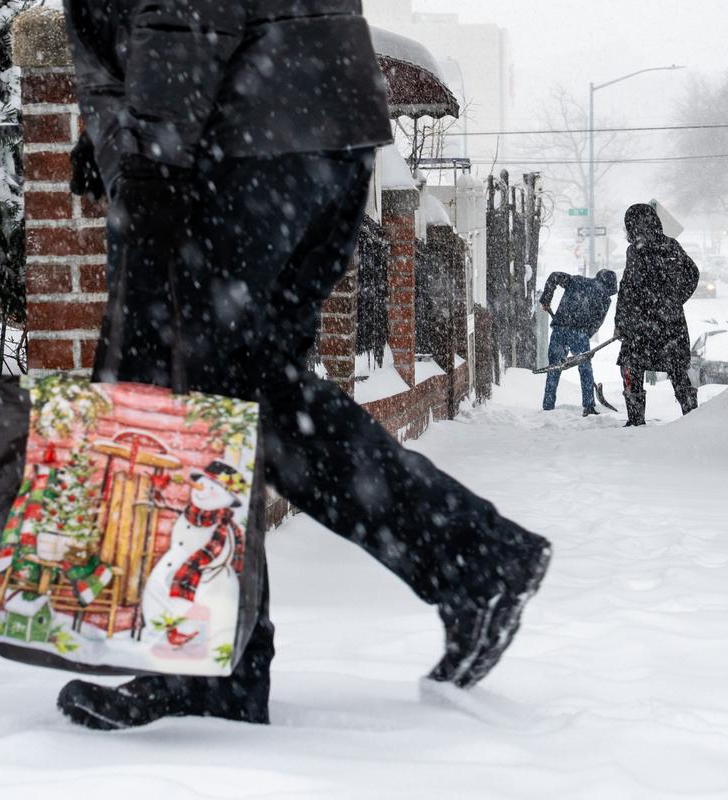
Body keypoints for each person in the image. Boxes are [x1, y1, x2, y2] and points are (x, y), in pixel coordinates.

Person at [56, 0, 551, 730]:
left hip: (241, 143)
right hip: (316, 133)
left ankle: (211, 666)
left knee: (190, 401)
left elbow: (181, 9)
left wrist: (152, 147)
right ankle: (473, 561)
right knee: (253, 396)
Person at [614, 204, 700, 427]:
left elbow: (627, 289)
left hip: (641, 325)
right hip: (670, 324)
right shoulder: (672, 245)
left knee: (631, 367)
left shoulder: (635, 250)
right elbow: (693, 273)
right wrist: (674, 300)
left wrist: (621, 323)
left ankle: (635, 419)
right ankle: (692, 417)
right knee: (677, 370)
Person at [539, 269, 618, 416]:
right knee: (585, 369)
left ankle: (548, 406)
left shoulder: (577, 280)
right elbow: (597, 323)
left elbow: (554, 276)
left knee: (554, 367)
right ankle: (588, 405)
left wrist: (546, 299)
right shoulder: (605, 298)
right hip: (579, 333)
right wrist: (584, 336)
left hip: (560, 329)